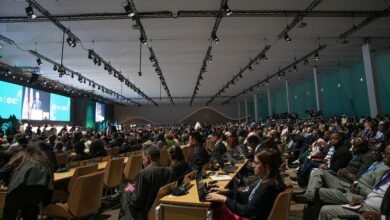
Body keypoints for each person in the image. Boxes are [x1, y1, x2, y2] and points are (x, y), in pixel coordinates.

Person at [206, 148, 286, 220]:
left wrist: (224, 199)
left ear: (266, 167)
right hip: (252, 214)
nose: (253, 165)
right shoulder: (266, 179)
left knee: (217, 208)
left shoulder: (268, 187)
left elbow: (246, 211)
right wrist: (226, 191)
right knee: (217, 204)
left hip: (249, 217)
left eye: (256, 163)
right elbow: (247, 196)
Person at [318, 144, 390, 220]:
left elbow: (367, 189)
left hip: (374, 212)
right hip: (363, 202)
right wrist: (363, 201)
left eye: (386, 153)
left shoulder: (383, 169)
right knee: (324, 209)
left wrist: (381, 217)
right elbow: (376, 192)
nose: (383, 155)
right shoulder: (386, 171)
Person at [118, 143, 172, 220]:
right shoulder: (168, 170)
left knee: (125, 191)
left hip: (144, 212)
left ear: (147, 158)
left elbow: (135, 201)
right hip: (159, 207)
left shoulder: (143, 174)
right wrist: (135, 187)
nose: (142, 162)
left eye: (142, 159)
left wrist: (129, 189)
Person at [0, 146, 53, 220]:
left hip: (17, 188)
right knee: (30, 215)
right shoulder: (44, 159)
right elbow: (50, 175)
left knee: (8, 216)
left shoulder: (21, 156)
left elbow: (3, 171)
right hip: (40, 188)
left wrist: (9, 182)